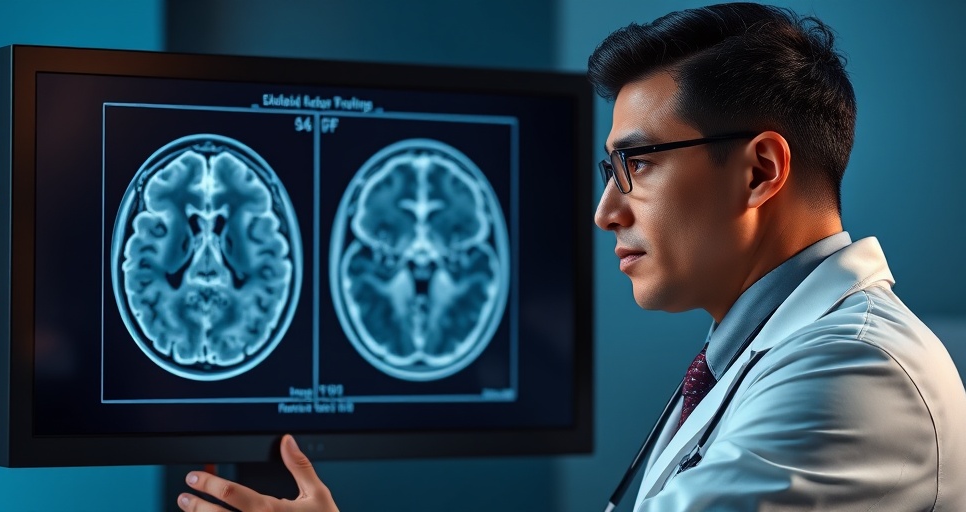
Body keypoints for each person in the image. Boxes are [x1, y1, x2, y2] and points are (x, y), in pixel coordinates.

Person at [177, 3, 966, 511]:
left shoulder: (855, 380)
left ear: (760, 170)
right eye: (607, 171)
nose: (605, 212)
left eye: (639, 165)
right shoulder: (759, 355)